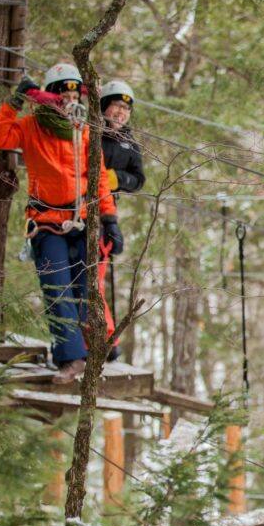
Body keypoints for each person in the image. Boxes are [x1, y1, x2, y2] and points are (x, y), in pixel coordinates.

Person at [0, 63, 120, 384]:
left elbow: (99, 177)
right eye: (63, 91)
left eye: (74, 92)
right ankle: (70, 358)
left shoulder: (84, 130)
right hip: (46, 223)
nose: (69, 98)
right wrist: (15, 101)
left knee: (86, 290)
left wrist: (111, 219)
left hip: (83, 220)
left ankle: (91, 350)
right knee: (57, 290)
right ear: (49, 95)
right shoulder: (32, 127)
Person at [98, 80, 144, 360]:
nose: (120, 113)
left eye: (125, 109)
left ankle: (105, 339)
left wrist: (118, 179)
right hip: (81, 206)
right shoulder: (90, 134)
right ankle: (98, 339)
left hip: (107, 209)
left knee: (97, 276)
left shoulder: (129, 143)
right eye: (116, 106)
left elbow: (139, 180)